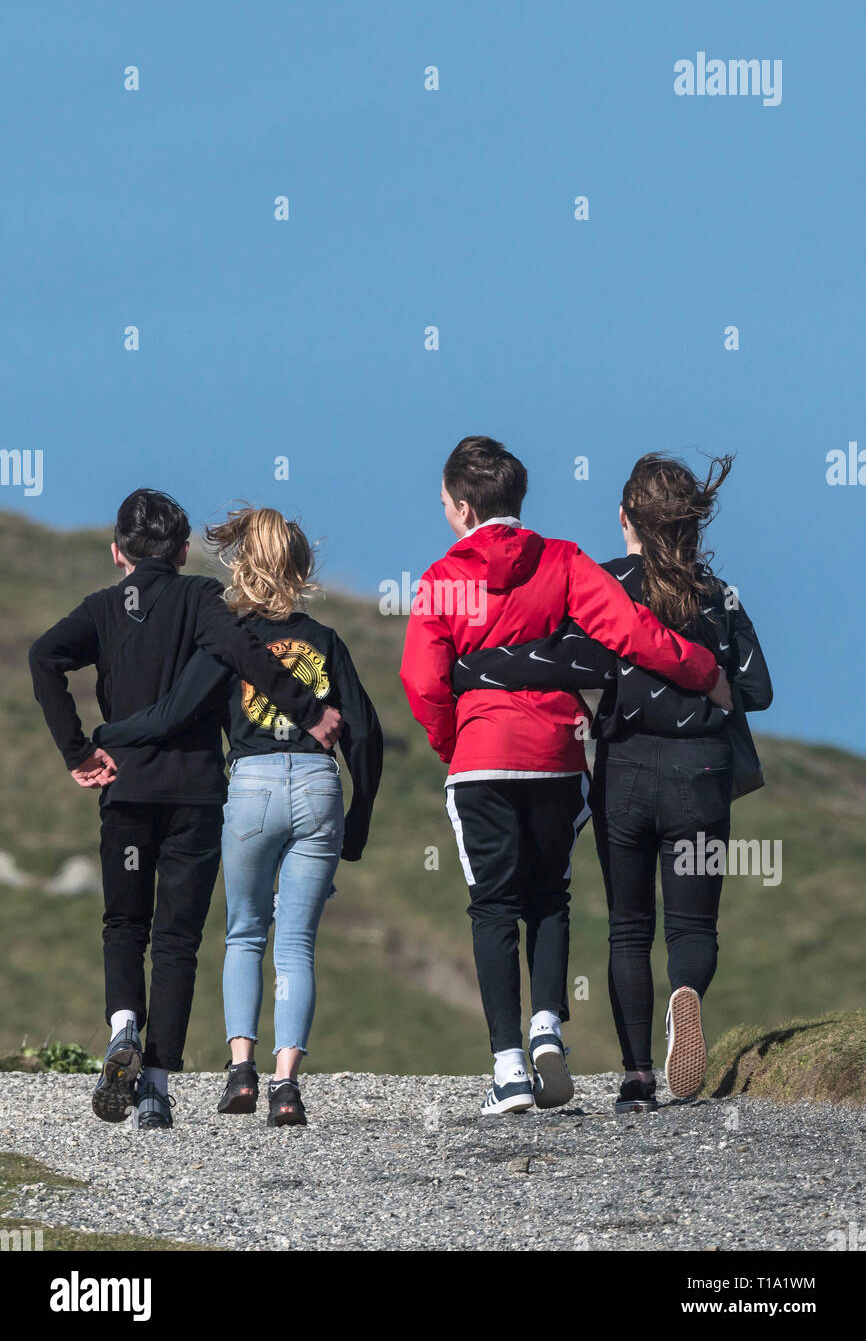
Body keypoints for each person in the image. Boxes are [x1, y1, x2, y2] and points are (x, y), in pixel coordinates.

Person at [399, 437, 731, 1116]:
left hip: (482, 752)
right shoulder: (564, 559)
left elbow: (420, 678)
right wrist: (701, 669)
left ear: (463, 508)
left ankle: (509, 1069)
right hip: (553, 754)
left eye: (443, 506)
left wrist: (449, 740)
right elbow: (632, 633)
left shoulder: (442, 578)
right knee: (549, 897)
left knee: (493, 906)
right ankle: (549, 1027)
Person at [29, 490, 341, 1130]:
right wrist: (308, 711)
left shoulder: (102, 609)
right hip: (196, 796)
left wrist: (77, 748)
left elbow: (43, 658)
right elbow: (247, 654)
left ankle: (122, 1027)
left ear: (117, 552)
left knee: (124, 925)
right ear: (182, 551)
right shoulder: (202, 599)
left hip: (126, 790)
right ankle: (156, 1091)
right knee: (177, 941)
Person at [95, 507, 382, 1127]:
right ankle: (286, 1086)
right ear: (303, 570)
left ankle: (241, 1071)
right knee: (297, 943)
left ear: (241, 567)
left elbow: (173, 714)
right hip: (317, 786)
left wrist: (106, 734)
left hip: (250, 788)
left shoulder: (229, 639)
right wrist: (359, 818)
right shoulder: (327, 641)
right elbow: (367, 735)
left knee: (245, 933)